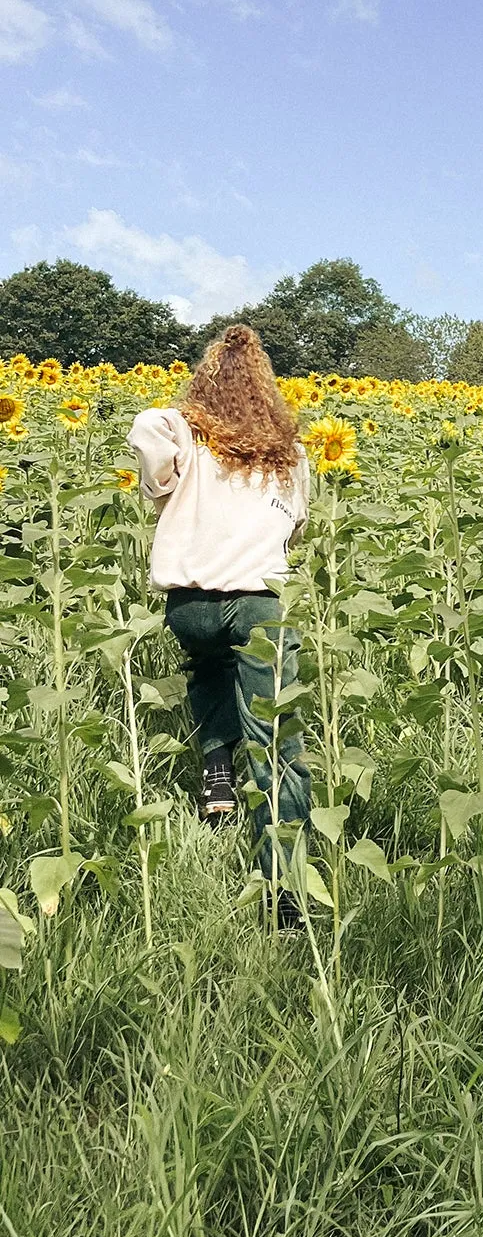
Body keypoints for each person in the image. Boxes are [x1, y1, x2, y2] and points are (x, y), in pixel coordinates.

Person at [127, 324, 313, 919]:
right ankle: (285, 890)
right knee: (276, 737)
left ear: (205, 382)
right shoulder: (289, 452)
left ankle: (215, 773)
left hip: (191, 604)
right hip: (260, 599)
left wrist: (170, 484)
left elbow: (148, 431)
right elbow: (298, 522)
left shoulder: (183, 429)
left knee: (207, 667)